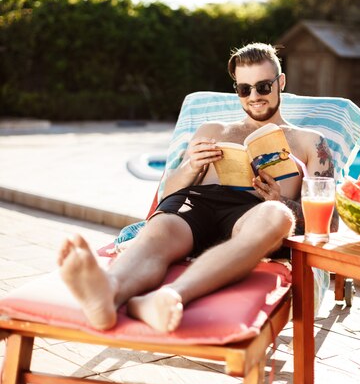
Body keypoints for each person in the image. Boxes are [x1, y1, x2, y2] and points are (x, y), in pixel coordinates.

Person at [59, 42, 336, 333]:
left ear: (281, 83)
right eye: (244, 89)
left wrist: (282, 200)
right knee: (160, 231)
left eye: (264, 87)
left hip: (254, 214)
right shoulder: (212, 130)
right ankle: (108, 292)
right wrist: (191, 165)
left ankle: (169, 297)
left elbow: (331, 221)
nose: (254, 97)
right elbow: (167, 195)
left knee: (277, 216)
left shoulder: (310, 142)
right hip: (196, 206)